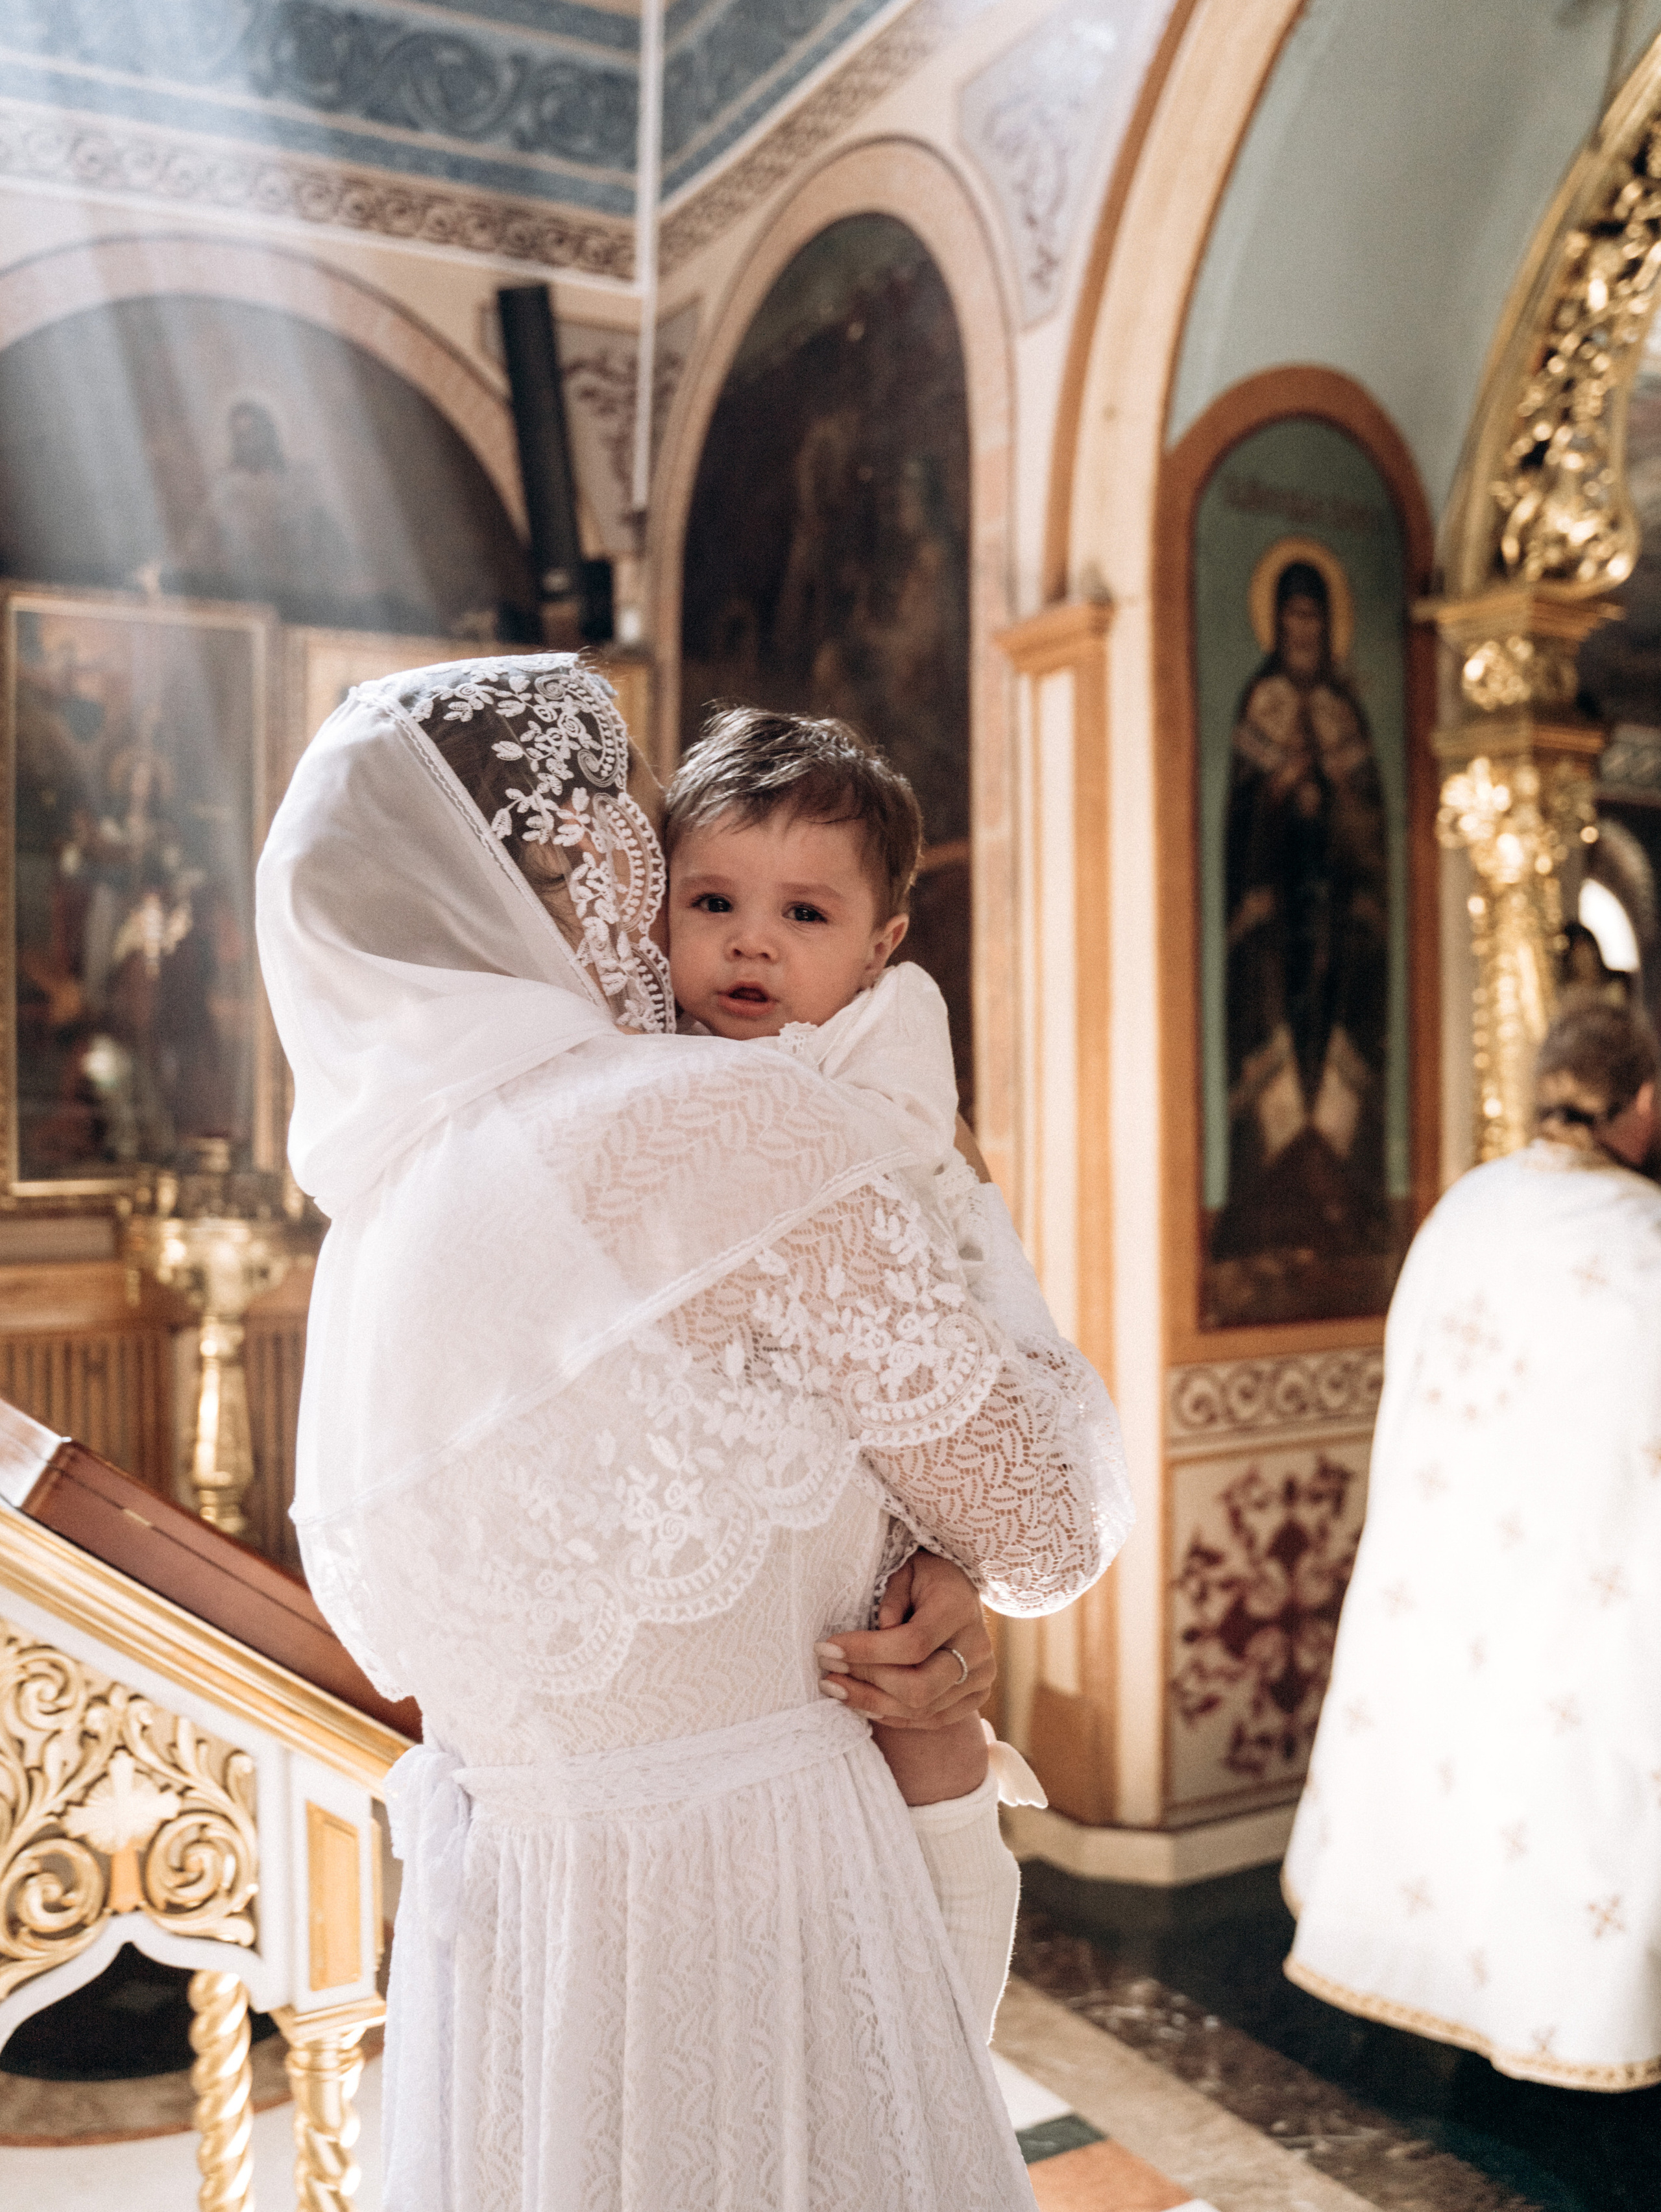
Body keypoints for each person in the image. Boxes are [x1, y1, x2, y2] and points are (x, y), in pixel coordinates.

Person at [254, 653, 1132, 2210]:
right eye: (646, 851)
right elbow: (1051, 1531)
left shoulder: (378, 1233)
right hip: (765, 1915)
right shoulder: (724, 1126)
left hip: (523, 1950)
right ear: (590, 866)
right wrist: (952, 1548)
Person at [660, 705, 1049, 2040]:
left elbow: (878, 1223)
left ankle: (951, 2014)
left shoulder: (874, 1054)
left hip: (912, 1385)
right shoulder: (662, 1059)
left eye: (803, 916)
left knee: (918, 1675)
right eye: (711, 899)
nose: (750, 940)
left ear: (882, 947)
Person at [1283, 997, 1661, 2090]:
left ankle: (1431, 2001)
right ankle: (1560, 2030)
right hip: (1583, 1586)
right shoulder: (1643, 1240)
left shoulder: (1466, 1208)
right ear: (1642, 1098)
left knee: (1447, 1769)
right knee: (1560, 1796)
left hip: (1447, 1567)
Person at [1209, 558, 1392, 1319]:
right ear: (1277, 625)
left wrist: (1339, 794)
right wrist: (1283, 788)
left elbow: (1371, 825)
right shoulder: (1264, 701)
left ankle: (1346, 1210)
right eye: (1292, 620)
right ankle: (1271, 1215)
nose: (1303, 633)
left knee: (1336, 1054)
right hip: (1274, 927)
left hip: (1340, 923)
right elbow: (1242, 820)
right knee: (1281, 1052)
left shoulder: (1348, 708)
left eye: (1314, 620)